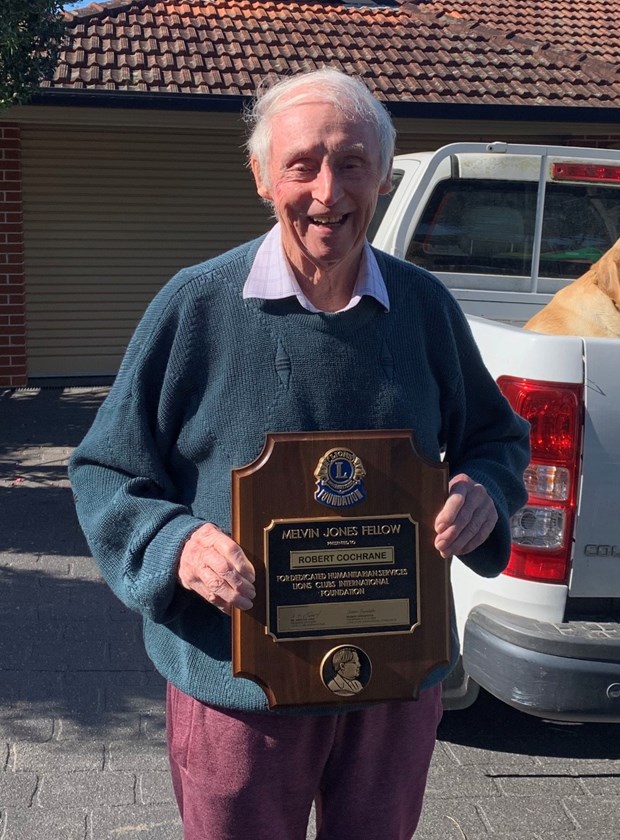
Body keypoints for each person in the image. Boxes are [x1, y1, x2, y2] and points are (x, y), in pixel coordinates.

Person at [68, 67, 530, 840]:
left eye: (352, 163)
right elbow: (107, 469)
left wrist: (486, 487)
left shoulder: (425, 307)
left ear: (382, 174)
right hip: (236, 684)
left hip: (393, 681)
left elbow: (498, 438)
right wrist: (177, 545)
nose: (328, 191)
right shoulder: (196, 305)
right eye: (302, 164)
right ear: (260, 177)